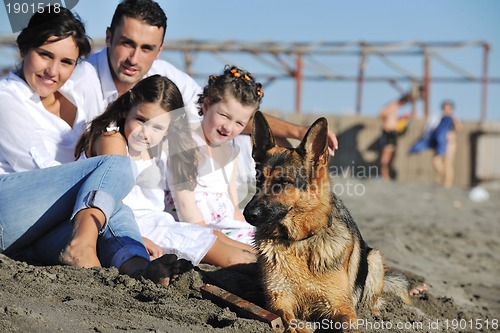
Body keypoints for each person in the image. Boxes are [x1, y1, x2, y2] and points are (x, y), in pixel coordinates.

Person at [84, 0, 338, 201]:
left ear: (159, 49)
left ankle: (295, 204)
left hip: (174, 163)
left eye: (147, 48)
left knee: (278, 147)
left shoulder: (166, 76)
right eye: (127, 44)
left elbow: (224, 112)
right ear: (108, 38)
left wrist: (298, 131)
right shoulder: (83, 80)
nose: (134, 58)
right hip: (128, 171)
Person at [0, 6, 179, 285]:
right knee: (115, 166)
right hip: (9, 211)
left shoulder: (73, 101)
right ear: (25, 48)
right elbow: (42, 170)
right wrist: (102, 205)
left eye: (66, 62)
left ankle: (138, 268)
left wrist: (106, 212)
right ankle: (83, 242)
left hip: (36, 234)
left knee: (117, 213)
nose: (52, 70)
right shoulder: (6, 99)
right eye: (45, 55)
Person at [75, 74, 257, 270]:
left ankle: (281, 263)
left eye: (158, 127)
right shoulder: (113, 140)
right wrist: (135, 237)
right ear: (128, 109)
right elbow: (110, 196)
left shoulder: (157, 151)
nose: (145, 132)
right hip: (132, 226)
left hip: (160, 224)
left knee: (217, 237)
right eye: (141, 120)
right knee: (226, 255)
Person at [165, 66, 260, 245]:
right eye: (224, 115)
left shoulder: (231, 153)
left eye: (239, 123)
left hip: (225, 227)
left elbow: (233, 208)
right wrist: (234, 244)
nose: (229, 127)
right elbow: (187, 210)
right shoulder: (186, 144)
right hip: (195, 228)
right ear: (206, 105)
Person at [410, 100, 462, 188]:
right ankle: (443, 176)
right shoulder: (438, 118)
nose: (447, 110)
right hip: (440, 143)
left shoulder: (453, 118)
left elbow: (459, 127)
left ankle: (447, 183)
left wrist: (453, 121)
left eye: (449, 108)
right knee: (436, 160)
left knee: (448, 163)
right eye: (445, 108)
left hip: (450, 143)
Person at [378, 92, 415, 181]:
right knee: (387, 155)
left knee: (390, 155)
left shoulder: (396, 108)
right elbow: (381, 113)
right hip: (389, 132)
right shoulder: (393, 106)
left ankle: (385, 175)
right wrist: (386, 125)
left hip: (392, 133)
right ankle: (384, 175)